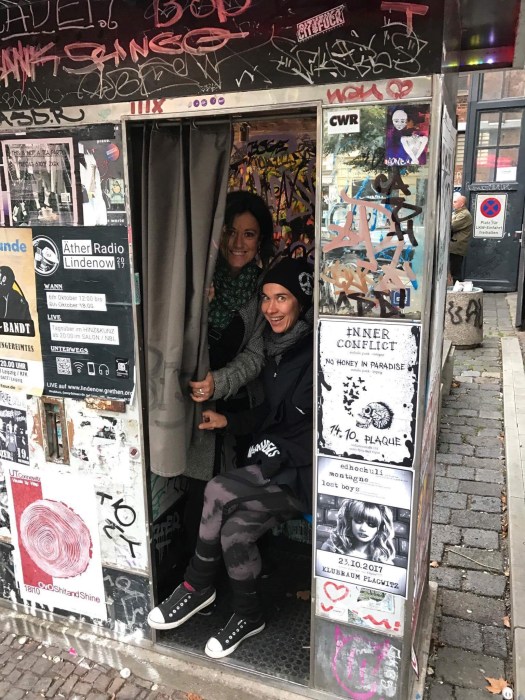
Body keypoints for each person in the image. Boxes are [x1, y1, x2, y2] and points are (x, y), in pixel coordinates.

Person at [148, 257, 314, 659]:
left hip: (304, 475)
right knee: (235, 532)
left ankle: (196, 586)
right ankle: (248, 615)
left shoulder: (315, 352)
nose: (271, 308)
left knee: (219, 489)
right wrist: (230, 421)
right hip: (275, 469)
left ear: (301, 302)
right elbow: (270, 414)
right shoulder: (274, 350)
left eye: (282, 298)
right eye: (266, 298)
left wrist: (273, 454)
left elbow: (317, 430)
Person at [181, 190, 274, 558]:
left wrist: (217, 383)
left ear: (260, 240)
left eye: (248, 234)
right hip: (192, 402)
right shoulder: (197, 279)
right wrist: (198, 308)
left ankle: (240, 567)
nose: (238, 243)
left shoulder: (264, 289)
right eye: (230, 231)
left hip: (238, 408)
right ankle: (198, 572)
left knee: (238, 491)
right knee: (199, 493)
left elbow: (256, 355)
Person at [321, 499, 395, 563]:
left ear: (380, 528)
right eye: (358, 521)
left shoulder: (384, 560)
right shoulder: (330, 548)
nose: (363, 528)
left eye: (371, 524)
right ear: (350, 521)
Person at [450, 192, 473, 283]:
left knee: (455, 271)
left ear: (462, 204)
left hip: (457, 247)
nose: (453, 203)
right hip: (454, 246)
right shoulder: (457, 213)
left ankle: (458, 288)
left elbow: (451, 226)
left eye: (455, 202)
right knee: (453, 270)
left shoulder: (464, 214)